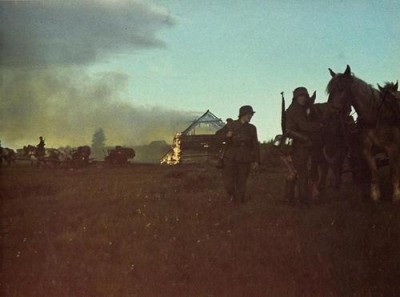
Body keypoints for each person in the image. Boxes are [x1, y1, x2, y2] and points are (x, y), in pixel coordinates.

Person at [285, 87, 321, 205]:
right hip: (298, 145)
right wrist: (319, 125)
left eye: (304, 96)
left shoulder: (298, 109)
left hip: (299, 145)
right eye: (300, 96)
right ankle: (303, 200)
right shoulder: (295, 110)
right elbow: (304, 126)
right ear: (295, 98)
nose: (303, 98)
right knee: (303, 174)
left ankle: (290, 198)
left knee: (296, 173)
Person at [217, 105, 260, 203]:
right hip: (230, 156)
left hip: (245, 157)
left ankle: (239, 203)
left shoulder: (252, 128)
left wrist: (257, 160)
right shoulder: (231, 125)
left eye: (251, 114)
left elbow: (255, 145)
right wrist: (226, 135)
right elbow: (217, 135)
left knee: (242, 181)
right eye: (249, 114)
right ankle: (232, 196)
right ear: (242, 115)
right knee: (228, 182)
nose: (250, 116)